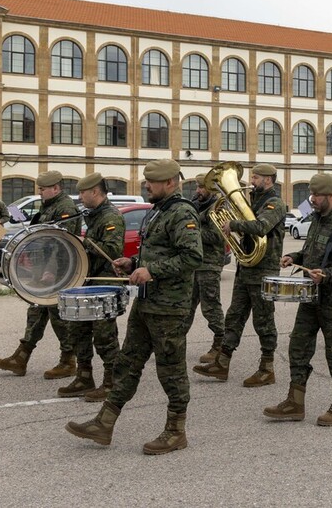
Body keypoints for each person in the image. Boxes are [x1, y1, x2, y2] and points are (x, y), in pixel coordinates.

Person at [66, 159, 202, 455]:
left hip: (170, 308)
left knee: (171, 371)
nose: (146, 185)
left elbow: (192, 257)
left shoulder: (182, 212)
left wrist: (151, 271)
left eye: (151, 182)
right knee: (127, 364)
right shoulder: (159, 212)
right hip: (147, 302)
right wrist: (134, 264)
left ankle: (176, 431)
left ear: (169, 183)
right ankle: (104, 422)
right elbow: (158, 254)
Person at [265, 173, 332, 426]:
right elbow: (312, 253)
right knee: (297, 347)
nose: (312, 199)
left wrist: (328, 275)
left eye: (317, 196)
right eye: (311, 195)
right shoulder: (317, 219)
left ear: (331, 196)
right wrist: (294, 257)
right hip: (310, 298)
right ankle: (295, 403)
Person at [193, 163, 287, 386]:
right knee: (234, 316)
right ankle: (222, 363)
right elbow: (218, 215)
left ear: (268, 179)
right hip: (246, 268)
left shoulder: (275, 203)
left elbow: (262, 226)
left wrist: (234, 223)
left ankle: (267, 368)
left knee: (264, 321)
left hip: (264, 269)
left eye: (256, 177)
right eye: (252, 176)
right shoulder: (253, 199)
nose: (251, 180)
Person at [0, 170, 81, 379]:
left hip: (59, 272)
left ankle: (69, 361)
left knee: (58, 317)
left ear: (56, 188)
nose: (39, 192)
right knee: (36, 312)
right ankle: (21, 358)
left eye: (42, 189)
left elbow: (62, 242)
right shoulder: (49, 206)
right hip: (43, 271)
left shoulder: (65, 208)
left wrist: (49, 270)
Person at [57, 173, 125, 400]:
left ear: (95, 192)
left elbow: (113, 250)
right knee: (78, 329)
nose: (80, 197)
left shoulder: (111, 217)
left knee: (104, 335)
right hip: (89, 279)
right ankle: (84, 376)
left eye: (83, 193)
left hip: (104, 282)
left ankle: (111, 382)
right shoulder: (94, 215)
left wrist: (83, 242)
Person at [186, 173, 225, 364]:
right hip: (194, 263)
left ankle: (220, 345)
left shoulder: (218, 207)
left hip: (209, 264)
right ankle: (175, 343)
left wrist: (192, 231)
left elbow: (217, 237)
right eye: (197, 187)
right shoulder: (196, 204)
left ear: (210, 189)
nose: (198, 191)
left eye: (201, 187)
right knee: (186, 305)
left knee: (210, 307)